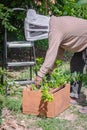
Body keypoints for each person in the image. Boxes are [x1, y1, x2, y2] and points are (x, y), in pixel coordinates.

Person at [35, 15, 87, 114]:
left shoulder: (55, 29)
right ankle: (73, 95)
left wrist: (40, 75)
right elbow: (58, 54)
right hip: (83, 41)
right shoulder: (56, 23)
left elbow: (51, 53)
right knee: (76, 64)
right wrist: (49, 71)